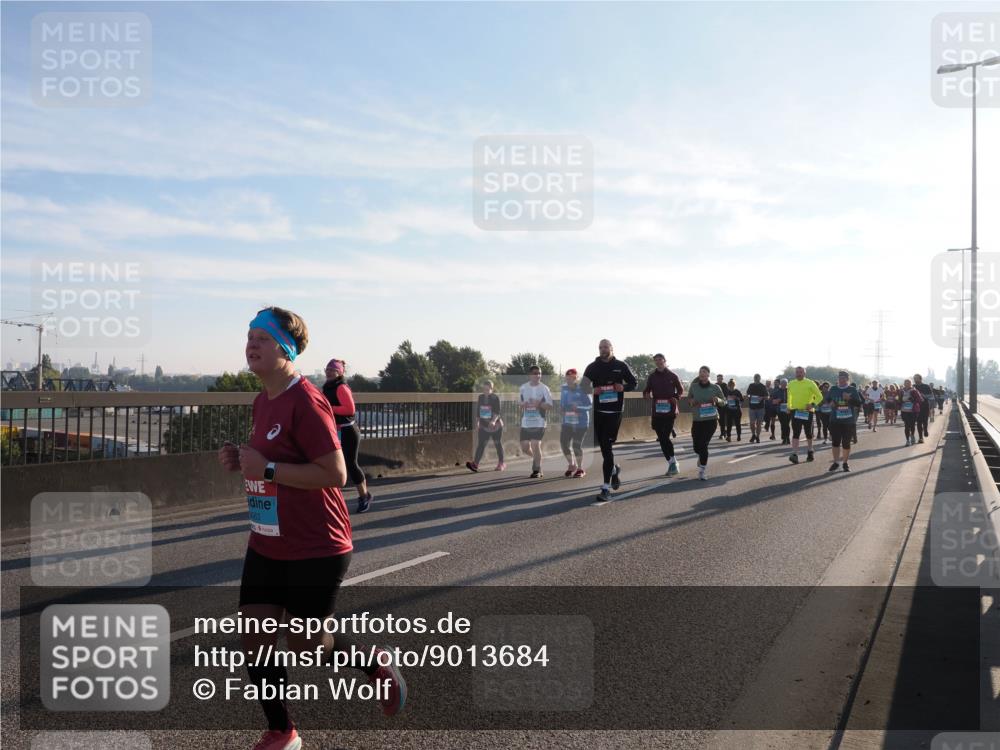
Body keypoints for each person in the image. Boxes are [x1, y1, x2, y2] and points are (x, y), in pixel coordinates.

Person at [218, 307, 405, 750]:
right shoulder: (263, 400)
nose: (251, 344)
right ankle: (283, 731)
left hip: (317, 543)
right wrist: (242, 459)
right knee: (255, 637)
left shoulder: (307, 399)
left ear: (285, 348)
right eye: (248, 337)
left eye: (261, 337)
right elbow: (272, 462)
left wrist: (266, 468)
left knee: (305, 643)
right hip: (267, 541)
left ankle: (374, 663)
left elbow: (334, 472)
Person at [583, 339, 638, 502]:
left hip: (615, 412)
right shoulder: (592, 367)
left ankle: (606, 488)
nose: (603, 349)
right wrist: (593, 390)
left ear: (612, 349)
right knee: (605, 448)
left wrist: (624, 387)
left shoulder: (621, 366)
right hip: (599, 411)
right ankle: (613, 470)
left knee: (607, 446)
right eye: (600, 347)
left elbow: (633, 383)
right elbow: (582, 387)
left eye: (605, 347)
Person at [322, 359, 373, 513]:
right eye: (327, 369)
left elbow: (349, 410)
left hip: (348, 431)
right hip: (335, 430)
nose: (329, 372)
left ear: (339, 373)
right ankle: (332, 502)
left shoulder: (341, 387)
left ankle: (364, 496)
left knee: (351, 464)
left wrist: (329, 408)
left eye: (332, 370)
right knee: (333, 465)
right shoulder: (327, 387)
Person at [642, 353, 684, 476]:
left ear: (665, 361)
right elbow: (647, 389)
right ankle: (672, 461)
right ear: (655, 362)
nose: (659, 362)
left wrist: (676, 397)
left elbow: (680, 390)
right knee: (661, 438)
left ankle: (673, 464)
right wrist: (646, 394)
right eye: (656, 360)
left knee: (665, 437)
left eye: (661, 360)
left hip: (670, 410)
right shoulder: (652, 376)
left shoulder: (672, 375)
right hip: (657, 411)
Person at [687, 366, 726, 480]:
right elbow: (689, 400)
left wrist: (717, 400)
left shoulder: (715, 387)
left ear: (709, 374)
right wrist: (692, 401)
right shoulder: (694, 387)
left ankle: (702, 471)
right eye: (700, 372)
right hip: (698, 420)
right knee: (696, 447)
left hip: (711, 420)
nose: (702, 373)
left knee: (703, 445)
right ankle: (701, 456)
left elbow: (724, 402)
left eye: (704, 372)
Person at [519, 366, 554, 478]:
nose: (538, 375)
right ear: (530, 375)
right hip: (526, 422)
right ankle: (538, 460)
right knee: (524, 448)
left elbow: (550, 406)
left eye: (539, 373)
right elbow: (519, 403)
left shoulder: (545, 388)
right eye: (535, 373)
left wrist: (539, 404)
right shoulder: (523, 388)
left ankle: (537, 470)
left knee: (535, 444)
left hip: (539, 421)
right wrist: (522, 404)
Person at [825, 371, 862, 472]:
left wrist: (849, 398)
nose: (841, 380)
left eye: (843, 378)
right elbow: (827, 399)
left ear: (847, 379)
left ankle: (845, 463)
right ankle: (836, 462)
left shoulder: (852, 389)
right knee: (835, 442)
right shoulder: (833, 389)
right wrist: (830, 403)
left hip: (848, 421)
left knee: (846, 443)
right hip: (835, 420)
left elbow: (858, 403)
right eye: (840, 378)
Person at [466, 380, 505, 473]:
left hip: (496, 425)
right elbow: (479, 412)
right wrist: (478, 422)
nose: (485, 391)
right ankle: (475, 464)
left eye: (487, 389)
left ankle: (501, 463)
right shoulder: (481, 397)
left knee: (497, 444)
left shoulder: (495, 398)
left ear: (492, 389)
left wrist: (493, 421)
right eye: (484, 389)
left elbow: (497, 412)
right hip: (484, 425)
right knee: (481, 445)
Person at [786, 366, 823, 464]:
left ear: (804, 373)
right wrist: (788, 407)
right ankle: (794, 454)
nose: (798, 374)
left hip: (807, 412)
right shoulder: (791, 384)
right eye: (797, 372)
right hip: (796, 411)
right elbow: (789, 396)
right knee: (796, 433)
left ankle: (810, 450)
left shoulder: (810, 383)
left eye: (800, 372)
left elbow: (820, 396)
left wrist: (812, 404)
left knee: (808, 433)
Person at [560, 369, 591, 477]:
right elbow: (563, 402)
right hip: (567, 421)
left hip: (581, 423)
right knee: (564, 444)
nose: (569, 380)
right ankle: (571, 464)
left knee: (576, 445)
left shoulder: (582, 389)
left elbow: (589, 405)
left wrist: (578, 407)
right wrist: (562, 408)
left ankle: (580, 469)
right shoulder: (563, 388)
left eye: (572, 378)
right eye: (568, 378)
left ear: (576, 378)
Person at [900, 379, 926, 445]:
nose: (907, 384)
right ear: (904, 384)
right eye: (906, 383)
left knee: (912, 425)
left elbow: (920, 400)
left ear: (911, 384)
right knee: (906, 425)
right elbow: (898, 399)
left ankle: (912, 435)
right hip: (904, 410)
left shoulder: (914, 391)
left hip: (913, 411)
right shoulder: (901, 391)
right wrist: (900, 401)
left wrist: (913, 400)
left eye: (908, 383)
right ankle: (907, 440)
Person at [746, 374, 769, 444]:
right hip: (752, 407)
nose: (756, 379)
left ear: (760, 378)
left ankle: (758, 436)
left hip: (760, 408)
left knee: (759, 423)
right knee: (752, 423)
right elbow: (747, 394)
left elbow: (767, 397)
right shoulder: (751, 385)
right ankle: (753, 434)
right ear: (753, 378)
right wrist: (750, 396)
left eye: (757, 378)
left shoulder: (763, 386)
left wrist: (761, 398)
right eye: (755, 378)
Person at [771, 378, 790, 444]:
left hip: (788, 410)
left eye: (785, 384)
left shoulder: (790, 391)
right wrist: (777, 400)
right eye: (782, 384)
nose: (784, 385)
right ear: (780, 384)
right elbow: (773, 401)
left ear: (787, 384)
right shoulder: (777, 392)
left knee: (787, 424)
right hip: (780, 410)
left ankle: (787, 437)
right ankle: (784, 438)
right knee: (783, 424)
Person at [913, 374, 933, 438]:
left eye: (916, 378)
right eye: (914, 378)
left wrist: (923, 395)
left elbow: (931, 395)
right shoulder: (913, 387)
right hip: (916, 407)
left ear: (920, 379)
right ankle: (920, 437)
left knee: (925, 420)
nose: (915, 380)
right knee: (919, 422)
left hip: (925, 406)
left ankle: (925, 430)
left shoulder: (926, 386)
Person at [714, 374, 730, 440]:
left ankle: (722, 433)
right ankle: (724, 431)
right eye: (718, 378)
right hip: (716, 404)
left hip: (723, 405)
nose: (719, 380)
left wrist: (722, 400)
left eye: (720, 378)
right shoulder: (715, 385)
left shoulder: (724, 385)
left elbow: (726, 395)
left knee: (722, 419)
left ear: (722, 379)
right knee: (719, 420)